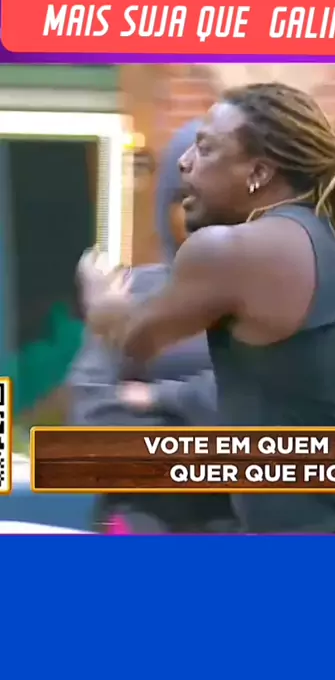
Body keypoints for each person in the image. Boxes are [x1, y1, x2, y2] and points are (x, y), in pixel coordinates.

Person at [87, 82, 335, 534]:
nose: (185, 162)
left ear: (259, 172)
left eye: (206, 148)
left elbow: (134, 340)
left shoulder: (230, 250)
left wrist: (101, 300)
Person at [67, 121, 236, 534]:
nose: (200, 216)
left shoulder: (277, 297)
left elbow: (272, 419)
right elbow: (91, 424)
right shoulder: (127, 294)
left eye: (219, 201)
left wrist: (154, 398)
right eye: (185, 199)